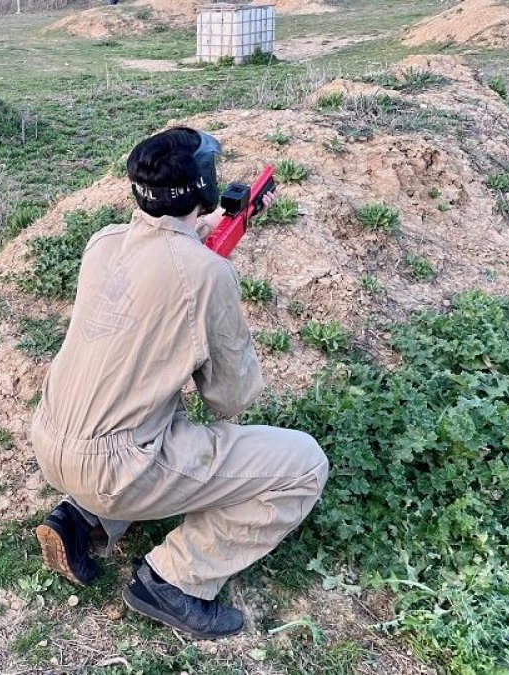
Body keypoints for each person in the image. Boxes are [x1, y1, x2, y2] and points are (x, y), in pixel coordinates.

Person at [29, 127, 328, 639]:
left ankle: (81, 520)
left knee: (139, 412)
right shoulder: (207, 274)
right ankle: (172, 581)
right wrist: (210, 273)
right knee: (304, 464)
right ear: (207, 186)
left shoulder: (103, 243)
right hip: (119, 468)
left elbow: (162, 263)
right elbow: (228, 398)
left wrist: (203, 233)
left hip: (52, 440)